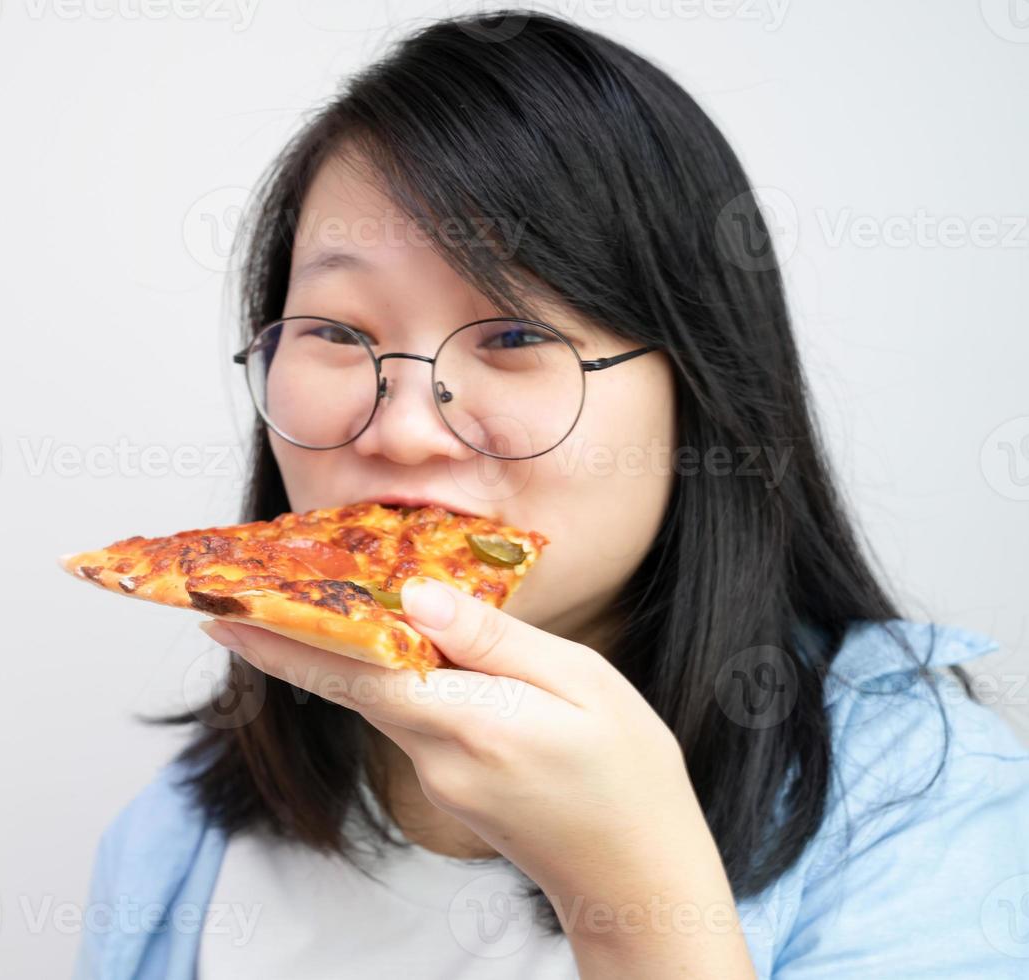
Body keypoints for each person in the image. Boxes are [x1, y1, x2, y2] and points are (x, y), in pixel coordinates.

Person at [73, 10, 1029, 978]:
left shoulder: (931, 808)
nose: (403, 425)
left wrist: (631, 896)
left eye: (516, 336)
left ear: (702, 388)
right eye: (335, 331)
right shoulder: (172, 842)